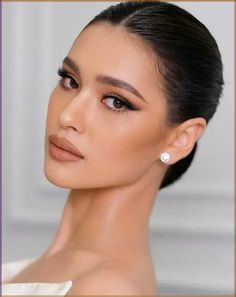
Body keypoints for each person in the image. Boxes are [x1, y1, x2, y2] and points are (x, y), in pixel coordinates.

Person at [2, 1, 224, 295]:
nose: (68, 116)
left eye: (116, 101)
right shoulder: (64, 269)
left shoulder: (108, 289)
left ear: (179, 139)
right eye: (70, 80)